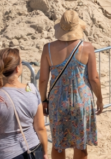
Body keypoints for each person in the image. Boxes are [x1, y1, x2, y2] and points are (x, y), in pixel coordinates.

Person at [39, 10, 103, 159]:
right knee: (81, 145)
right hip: (81, 101)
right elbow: (94, 78)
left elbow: (43, 79)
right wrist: (99, 99)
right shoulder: (87, 47)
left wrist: (43, 100)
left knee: (58, 145)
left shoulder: (47, 48)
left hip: (57, 101)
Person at [0, 48, 49, 159]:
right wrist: (44, 151)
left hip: (4, 153)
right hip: (33, 149)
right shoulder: (32, 90)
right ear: (17, 69)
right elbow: (40, 128)